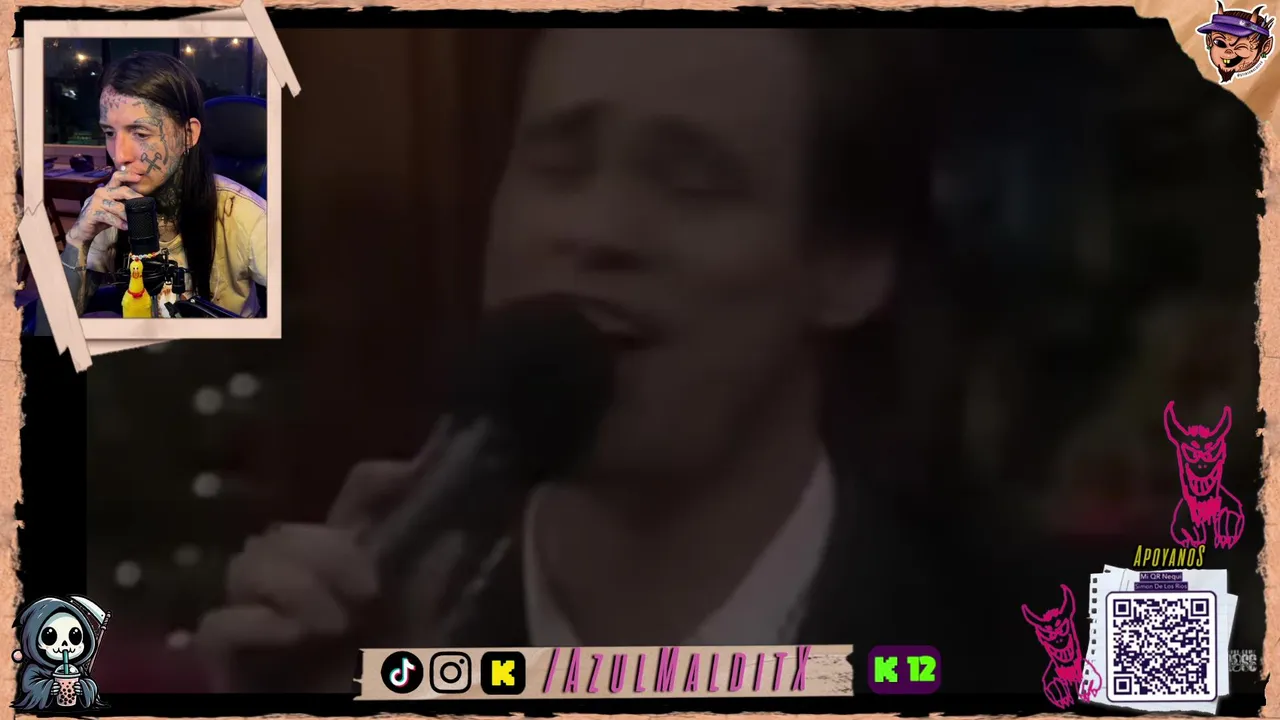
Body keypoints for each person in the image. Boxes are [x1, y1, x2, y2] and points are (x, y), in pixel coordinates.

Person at [194, 28, 1043, 693]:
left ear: (850, 266)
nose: (596, 231)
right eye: (558, 163)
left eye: (690, 181)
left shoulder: (1035, 651)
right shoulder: (399, 647)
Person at [68, 51, 267, 317]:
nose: (119, 155)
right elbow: (51, 325)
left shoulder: (243, 214)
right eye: (109, 133)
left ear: (188, 135)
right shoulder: (109, 210)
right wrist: (78, 239)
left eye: (140, 133)